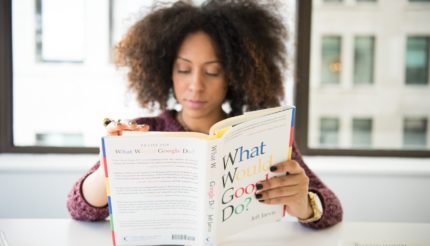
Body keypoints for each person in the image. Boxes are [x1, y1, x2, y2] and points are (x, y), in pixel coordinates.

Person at [67, 0, 342, 229]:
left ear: (234, 77)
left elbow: (333, 210)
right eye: (184, 69)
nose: (196, 85)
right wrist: (111, 164)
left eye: (212, 71)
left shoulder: (265, 136)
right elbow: (79, 209)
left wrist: (304, 203)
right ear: (166, 72)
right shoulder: (142, 132)